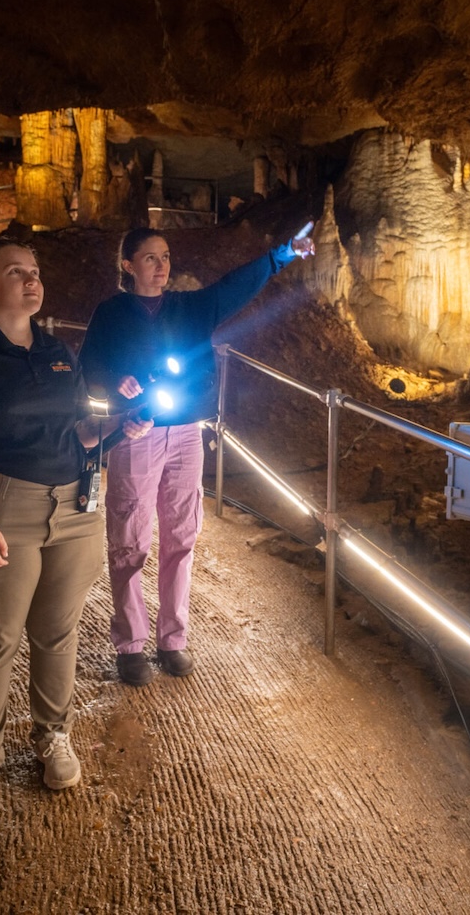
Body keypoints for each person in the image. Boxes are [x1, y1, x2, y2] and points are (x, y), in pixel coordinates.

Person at [0, 236, 150, 827]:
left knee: (57, 632)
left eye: (35, 271)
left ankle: (53, 736)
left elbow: (80, 433)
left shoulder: (56, 351)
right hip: (2, 506)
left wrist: (121, 426)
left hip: (74, 509)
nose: (31, 280)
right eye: (15, 272)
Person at [79, 224, 314, 686]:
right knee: (129, 537)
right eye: (150, 257)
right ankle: (130, 644)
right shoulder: (110, 313)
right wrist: (117, 380)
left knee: (181, 535)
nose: (162, 265)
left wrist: (283, 254)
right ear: (128, 265)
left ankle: (173, 639)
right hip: (135, 431)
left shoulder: (189, 308)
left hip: (187, 432)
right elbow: (90, 364)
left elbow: (234, 287)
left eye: (166, 256)